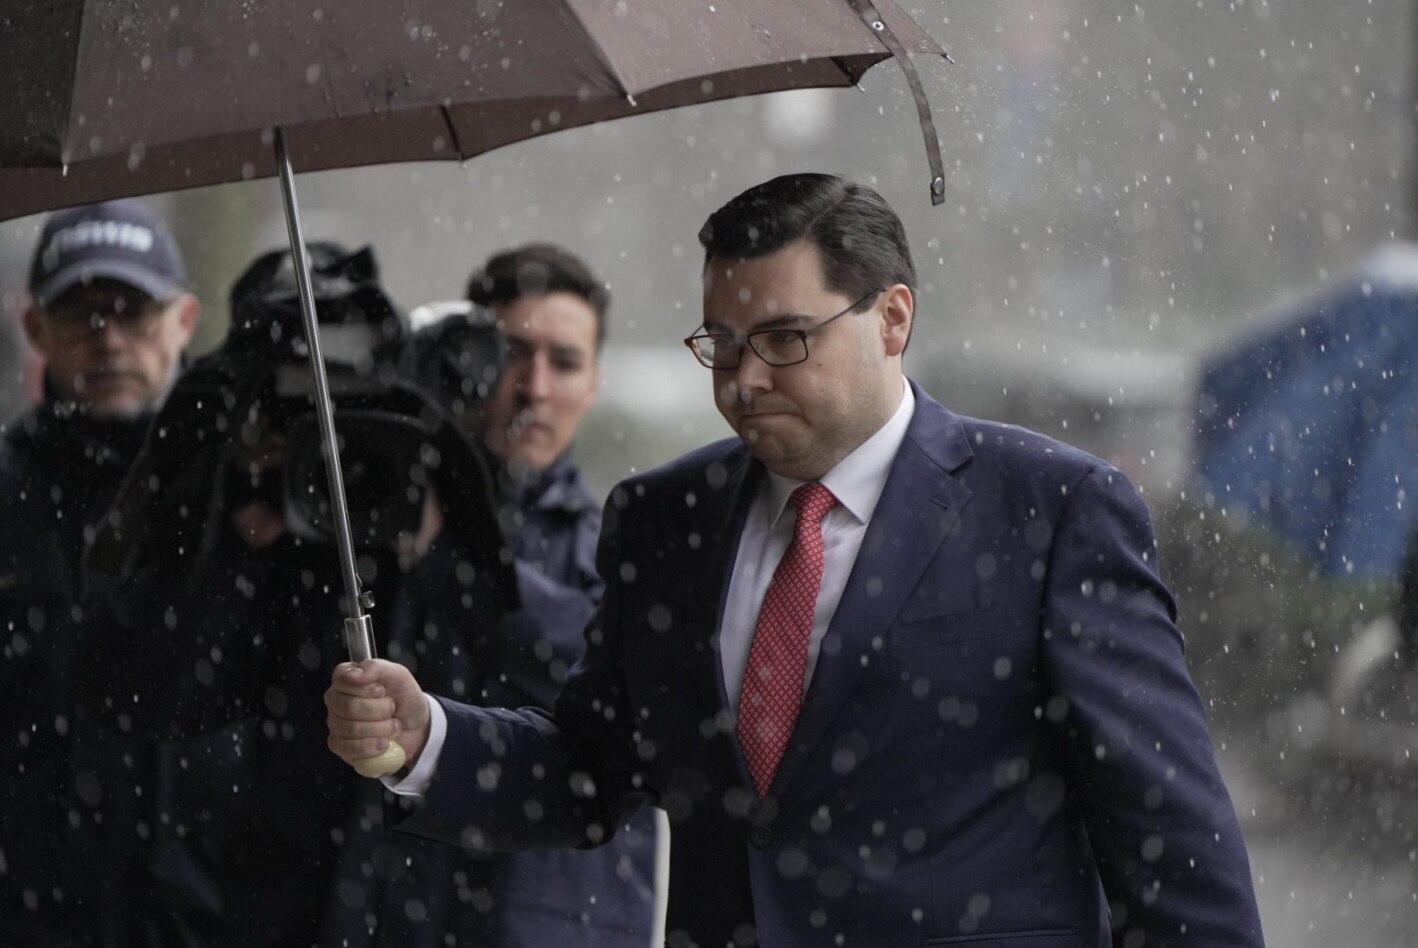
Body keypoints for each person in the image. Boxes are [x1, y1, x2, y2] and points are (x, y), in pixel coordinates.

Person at [326, 174, 1265, 947]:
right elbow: (593, 768)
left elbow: (1170, 842)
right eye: (722, 345)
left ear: (892, 319)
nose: (743, 381)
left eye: (784, 340)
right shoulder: (664, 520)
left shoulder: (1051, 511)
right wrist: (428, 738)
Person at [322, 244, 657, 948]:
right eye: (512, 355)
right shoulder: (364, 532)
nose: (534, 387)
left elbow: (600, 683)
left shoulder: (619, 550)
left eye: (563, 362)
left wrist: (451, 551)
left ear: (594, 381)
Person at [0, 200, 199, 944]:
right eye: (83, 314)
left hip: (206, 912)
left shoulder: (238, 493)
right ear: (35, 329)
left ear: (185, 320)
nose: (109, 338)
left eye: (133, 311)